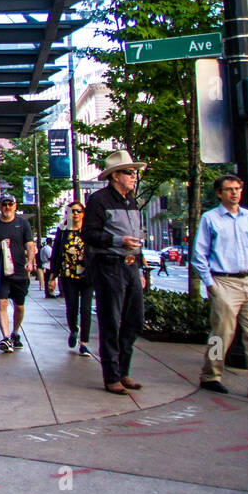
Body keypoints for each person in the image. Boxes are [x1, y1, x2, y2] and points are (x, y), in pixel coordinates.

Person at [189, 173, 248, 402]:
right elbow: (198, 254)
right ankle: (210, 375)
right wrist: (210, 283)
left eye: (237, 188)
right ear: (219, 193)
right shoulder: (210, 218)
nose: (235, 192)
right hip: (223, 281)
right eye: (229, 189)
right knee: (221, 334)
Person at [82, 150, 146, 396]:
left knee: (134, 320)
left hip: (130, 265)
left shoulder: (132, 201)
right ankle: (111, 375)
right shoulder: (99, 200)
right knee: (111, 320)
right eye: (129, 173)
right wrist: (119, 241)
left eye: (134, 173)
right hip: (109, 265)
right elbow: (89, 234)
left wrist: (139, 266)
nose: (133, 177)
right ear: (115, 176)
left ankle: (123, 370)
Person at [0, 193, 36, 352]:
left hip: (19, 270)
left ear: (15, 206)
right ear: (0, 206)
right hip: (1, 272)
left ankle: (15, 332)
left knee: (19, 306)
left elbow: (30, 245)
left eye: (10, 204)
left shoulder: (22, 224)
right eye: (4, 204)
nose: (7, 207)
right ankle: (5, 337)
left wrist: (30, 261)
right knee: (2, 302)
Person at [51, 201, 93, 356]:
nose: (75, 214)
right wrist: (52, 275)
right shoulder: (63, 231)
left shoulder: (89, 230)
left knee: (86, 309)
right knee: (72, 307)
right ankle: (74, 330)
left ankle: (84, 343)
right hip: (68, 274)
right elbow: (56, 252)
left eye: (78, 211)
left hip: (87, 275)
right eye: (72, 211)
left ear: (83, 213)